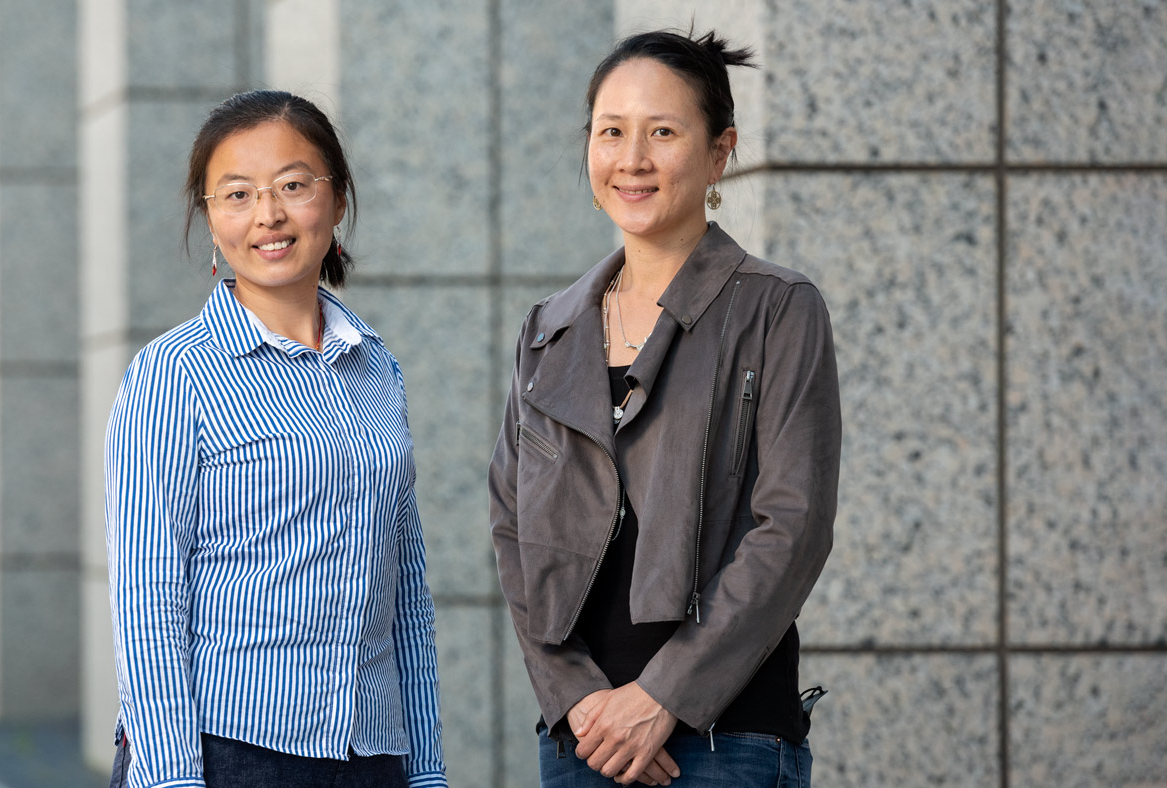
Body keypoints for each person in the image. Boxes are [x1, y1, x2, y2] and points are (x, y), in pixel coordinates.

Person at [490, 30, 841, 788]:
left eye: (663, 132)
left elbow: (794, 527)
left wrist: (664, 696)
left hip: (725, 739)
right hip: (581, 742)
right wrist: (577, 698)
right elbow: (514, 526)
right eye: (611, 132)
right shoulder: (550, 329)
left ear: (720, 154)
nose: (633, 158)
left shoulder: (778, 309)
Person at [105, 90, 448, 788]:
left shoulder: (376, 367)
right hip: (229, 753)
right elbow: (148, 596)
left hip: (371, 756)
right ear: (210, 219)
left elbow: (405, 589)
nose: (268, 214)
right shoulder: (174, 374)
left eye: (293, 185)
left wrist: (427, 770)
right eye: (236, 194)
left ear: (337, 199)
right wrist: (172, 778)